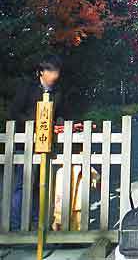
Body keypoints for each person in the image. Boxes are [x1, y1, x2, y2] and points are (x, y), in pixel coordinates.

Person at [9, 55, 70, 230]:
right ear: (41, 72)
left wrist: (59, 121)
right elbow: (14, 112)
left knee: (40, 183)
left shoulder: (58, 92)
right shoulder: (27, 89)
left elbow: (64, 113)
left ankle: (37, 221)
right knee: (23, 183)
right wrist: (34, 124)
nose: (55, 75)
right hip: (26, 143)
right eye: (51, 71)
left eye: (57, 71)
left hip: (48, 143)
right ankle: (14, 224)